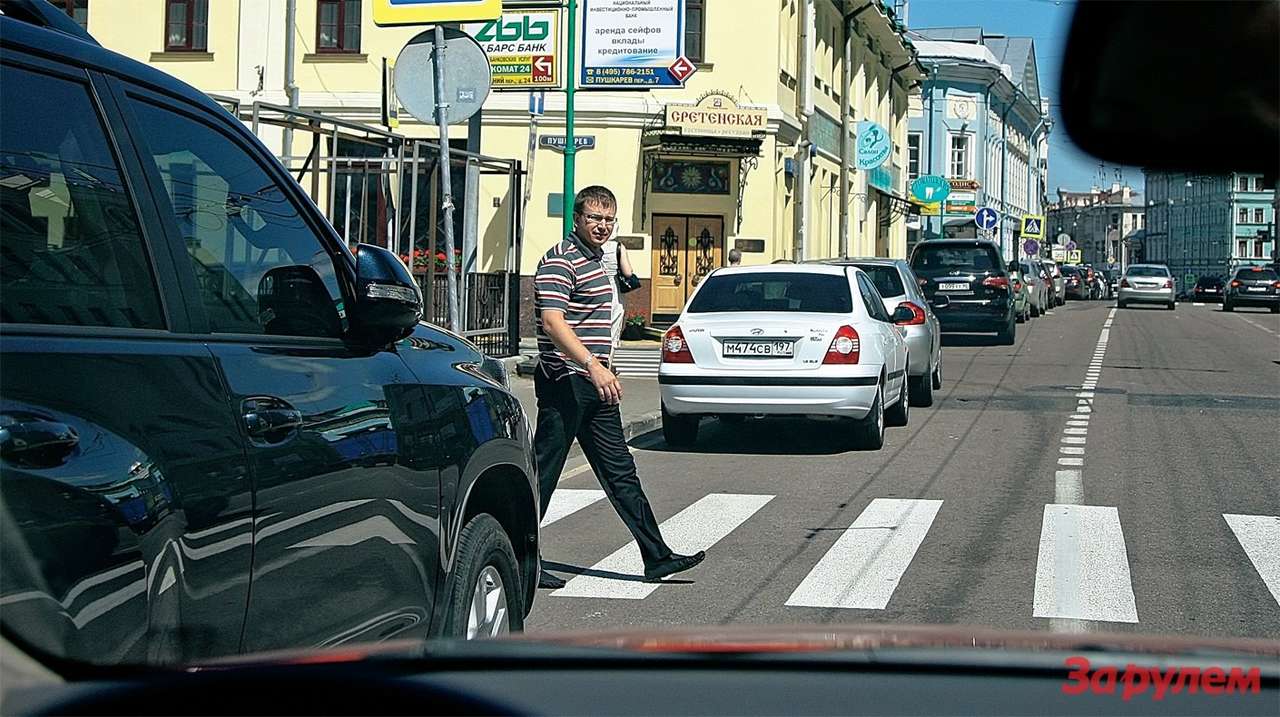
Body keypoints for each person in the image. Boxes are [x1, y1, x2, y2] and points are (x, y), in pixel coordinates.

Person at [533, 185, 705, 588]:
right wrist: (593, 365)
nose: (602, 225)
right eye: (594, 217)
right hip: (566, 382)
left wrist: (605, 368)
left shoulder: (598, 262)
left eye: (609, 219)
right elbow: (552, 322)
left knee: (622, 473)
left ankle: (657, 557)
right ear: (576, 218)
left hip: (595, 385)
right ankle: (523, 561)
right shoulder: (561, 260)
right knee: (542, 475)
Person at [600, 233, 640, 364]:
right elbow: (628, 272)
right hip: (613, 291)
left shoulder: (591, 246)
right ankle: (607, 363)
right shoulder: (617, 247)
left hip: (594, 287)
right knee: (612, 331)